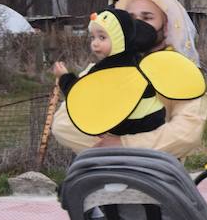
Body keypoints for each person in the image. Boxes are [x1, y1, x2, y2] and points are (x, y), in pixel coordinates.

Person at [52, 0, 207, 220]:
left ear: (165, 25)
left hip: (158, 200)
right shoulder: (100, 71)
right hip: (99, 202)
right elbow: (65, 123)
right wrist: (107, 146)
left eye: (147, 17)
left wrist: (124, 143)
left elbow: (186, 132)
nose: (136, 22)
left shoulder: (176, 72)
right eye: (131, 16)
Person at [52, 7, 164, 136]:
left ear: (119, 39)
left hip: (126, 127)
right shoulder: (140, 61)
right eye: (93, 37)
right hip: (155, 121)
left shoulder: (105, 70)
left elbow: (80, 96)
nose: (95, 43)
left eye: (102, 37)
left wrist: (64, 77)